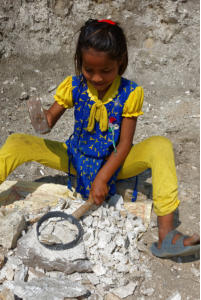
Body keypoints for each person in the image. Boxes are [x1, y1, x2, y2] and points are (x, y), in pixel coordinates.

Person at [0, 19, 199, 258]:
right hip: (75, 158)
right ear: (80, 63)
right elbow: (48, 123)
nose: (96, 78)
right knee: (16, 142)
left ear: (121, 63)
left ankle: (167, 234)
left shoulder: (130, 93)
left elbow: (125, 144)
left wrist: (102, 177)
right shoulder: (74, 86)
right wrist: (41, 121)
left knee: (161, 146)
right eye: (89, 70)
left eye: (106, 70)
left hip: (115, 162)